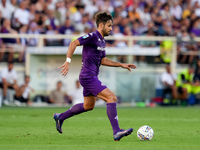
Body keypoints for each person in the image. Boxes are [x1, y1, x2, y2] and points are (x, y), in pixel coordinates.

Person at [53, 12, 136, 141]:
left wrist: (121, 64)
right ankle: (117, 131)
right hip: (88, 76)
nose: (111, 29)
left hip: (90, 76)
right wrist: (68, 61)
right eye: (109, 26)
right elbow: (73, 43)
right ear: (101, 25)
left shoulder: (102, 41)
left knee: (88, 106)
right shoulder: (92, 36)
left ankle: (60, 117)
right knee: (111, 97)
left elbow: (103, 60)